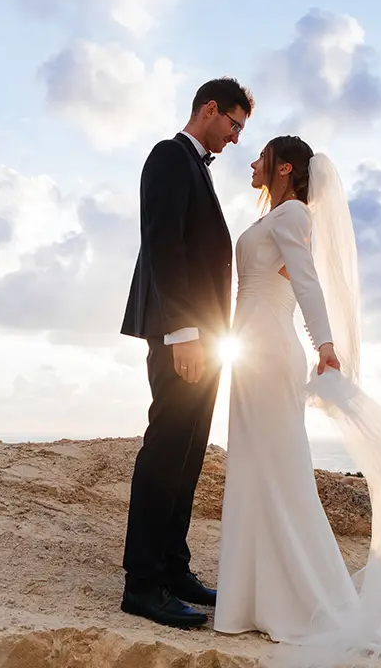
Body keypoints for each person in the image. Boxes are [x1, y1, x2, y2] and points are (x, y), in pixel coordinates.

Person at [214, 135, 381, 664]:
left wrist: (325, 345)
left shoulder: (293, 214)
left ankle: (301, 603)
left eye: (262, 157)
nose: (251, 162)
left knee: (281, 474)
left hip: (270, 352)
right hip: (249, 352)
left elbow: (308, 283)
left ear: (284, 166)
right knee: (254, 470)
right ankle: (247, 604)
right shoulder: (272, 217)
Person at [119, 77, 253, 629]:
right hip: (185, 336)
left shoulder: (197, 166)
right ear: (210, 108)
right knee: (166, 451)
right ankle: (142, 584)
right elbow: (164, 246)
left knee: (190, 453)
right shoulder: (169, 157)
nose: (236, 138)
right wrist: (183, 334)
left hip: (208, 338)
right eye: (234, 125)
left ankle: (174, 568)